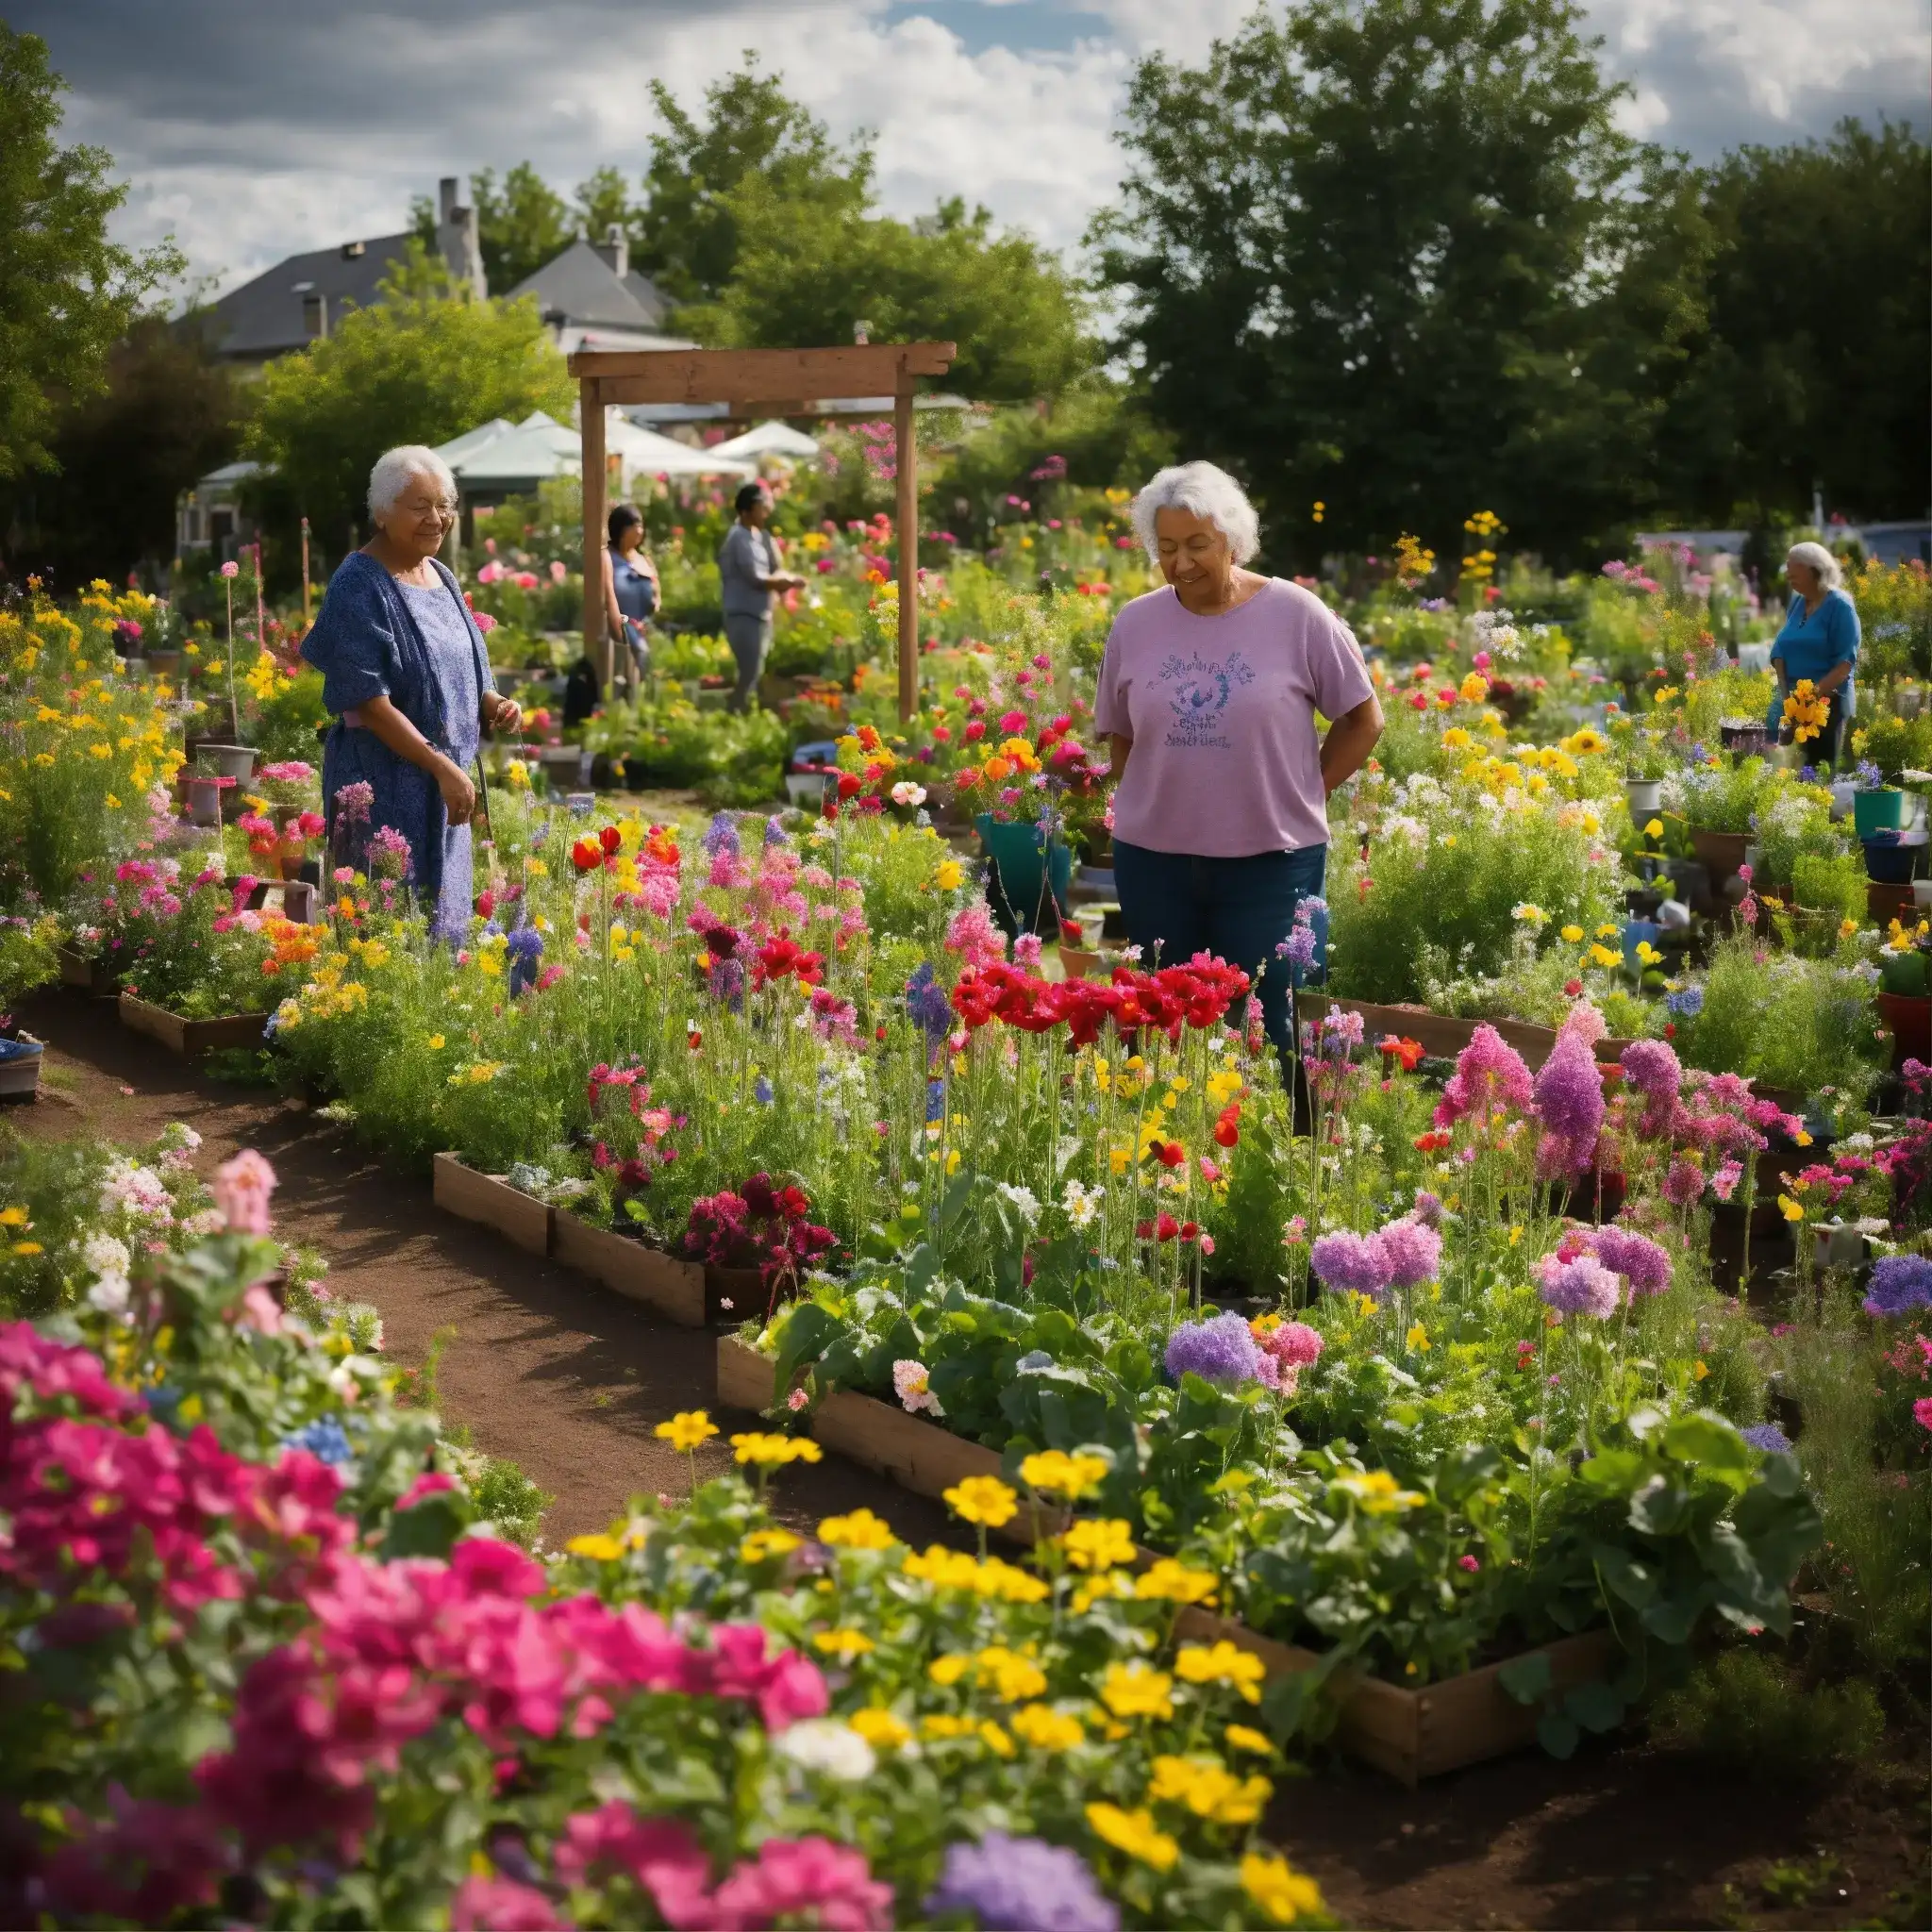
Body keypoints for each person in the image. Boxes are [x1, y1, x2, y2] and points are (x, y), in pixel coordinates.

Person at [1094, 460, 1383, 1067]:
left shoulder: (1298, 615)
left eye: (1198, 544)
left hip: (1271, 864)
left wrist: (1310, 787)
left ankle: (1280, 1153)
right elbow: (1122, 737)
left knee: (1273, 1029)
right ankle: (1176, 1155)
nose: (1181, 562)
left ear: (1234, 540)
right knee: (1166, 1032)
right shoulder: (1135, 623)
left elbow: (1363, 720)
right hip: (1155, 863)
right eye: (1166, 547)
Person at [300, 445, 521, 937]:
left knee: (445, 930)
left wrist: (496, 704)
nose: (437, 518)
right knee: (386, 933)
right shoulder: (358, 584)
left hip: (443, 787)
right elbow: (369, 703)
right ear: (382, 511)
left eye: (444, 505)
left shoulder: (439, 575)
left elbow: (469, 673)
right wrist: (441, 766)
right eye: (420, 506)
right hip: (380, 787)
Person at [1765, 541, 1859, 767]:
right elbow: (1781, 648)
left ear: (1814, 570)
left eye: (1792, 568)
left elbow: (1844, 665)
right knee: (1783, 771)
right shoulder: (1798, 603)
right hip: (1793, 705)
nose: (1788, 575)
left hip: (1827, 705)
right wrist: (1787, 698)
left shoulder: (1840, 606)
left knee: (1819, 774)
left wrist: (1807, 701)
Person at [718, 481, 803, 710]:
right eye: (762, 505)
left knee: (755, 670)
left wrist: (787, 577)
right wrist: (788, 582)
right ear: (749, 508)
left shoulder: (761, 536)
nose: (767, 510)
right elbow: (755, 578)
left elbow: (777, 567)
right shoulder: (738, 537)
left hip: (760, 614)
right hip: (743, 614)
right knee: (749, 671)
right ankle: (733, 714)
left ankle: (741, 716)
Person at [603, 502, 660, 692]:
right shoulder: (609, 558)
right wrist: (619, 628)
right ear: (620, 529)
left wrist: (656, 603)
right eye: (633, 525)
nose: (639, 531)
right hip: (622, 626)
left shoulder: (643, 559)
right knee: (636, 662)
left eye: (641, 525)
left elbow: (656, 587)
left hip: (644, 625)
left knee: (652, 668)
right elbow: (608, 592)